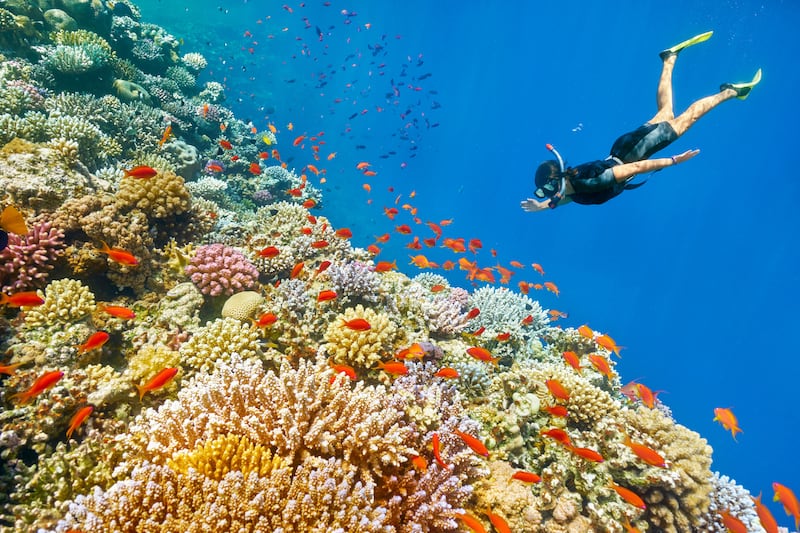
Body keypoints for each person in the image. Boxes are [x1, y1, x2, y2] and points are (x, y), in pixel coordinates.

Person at [521, 31, 761, 212]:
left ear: (557, 180)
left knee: (687, 119)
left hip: (635, 152)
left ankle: (730, 92)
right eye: (543, 192)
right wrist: (543, 206)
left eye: (547, 189)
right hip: (624, 147)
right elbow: (569, 197)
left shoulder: (591, 182)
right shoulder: (574, 186)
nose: (548, 194)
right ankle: (669, 59)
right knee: (665, 113)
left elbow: (635, 168)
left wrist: (674, 160)